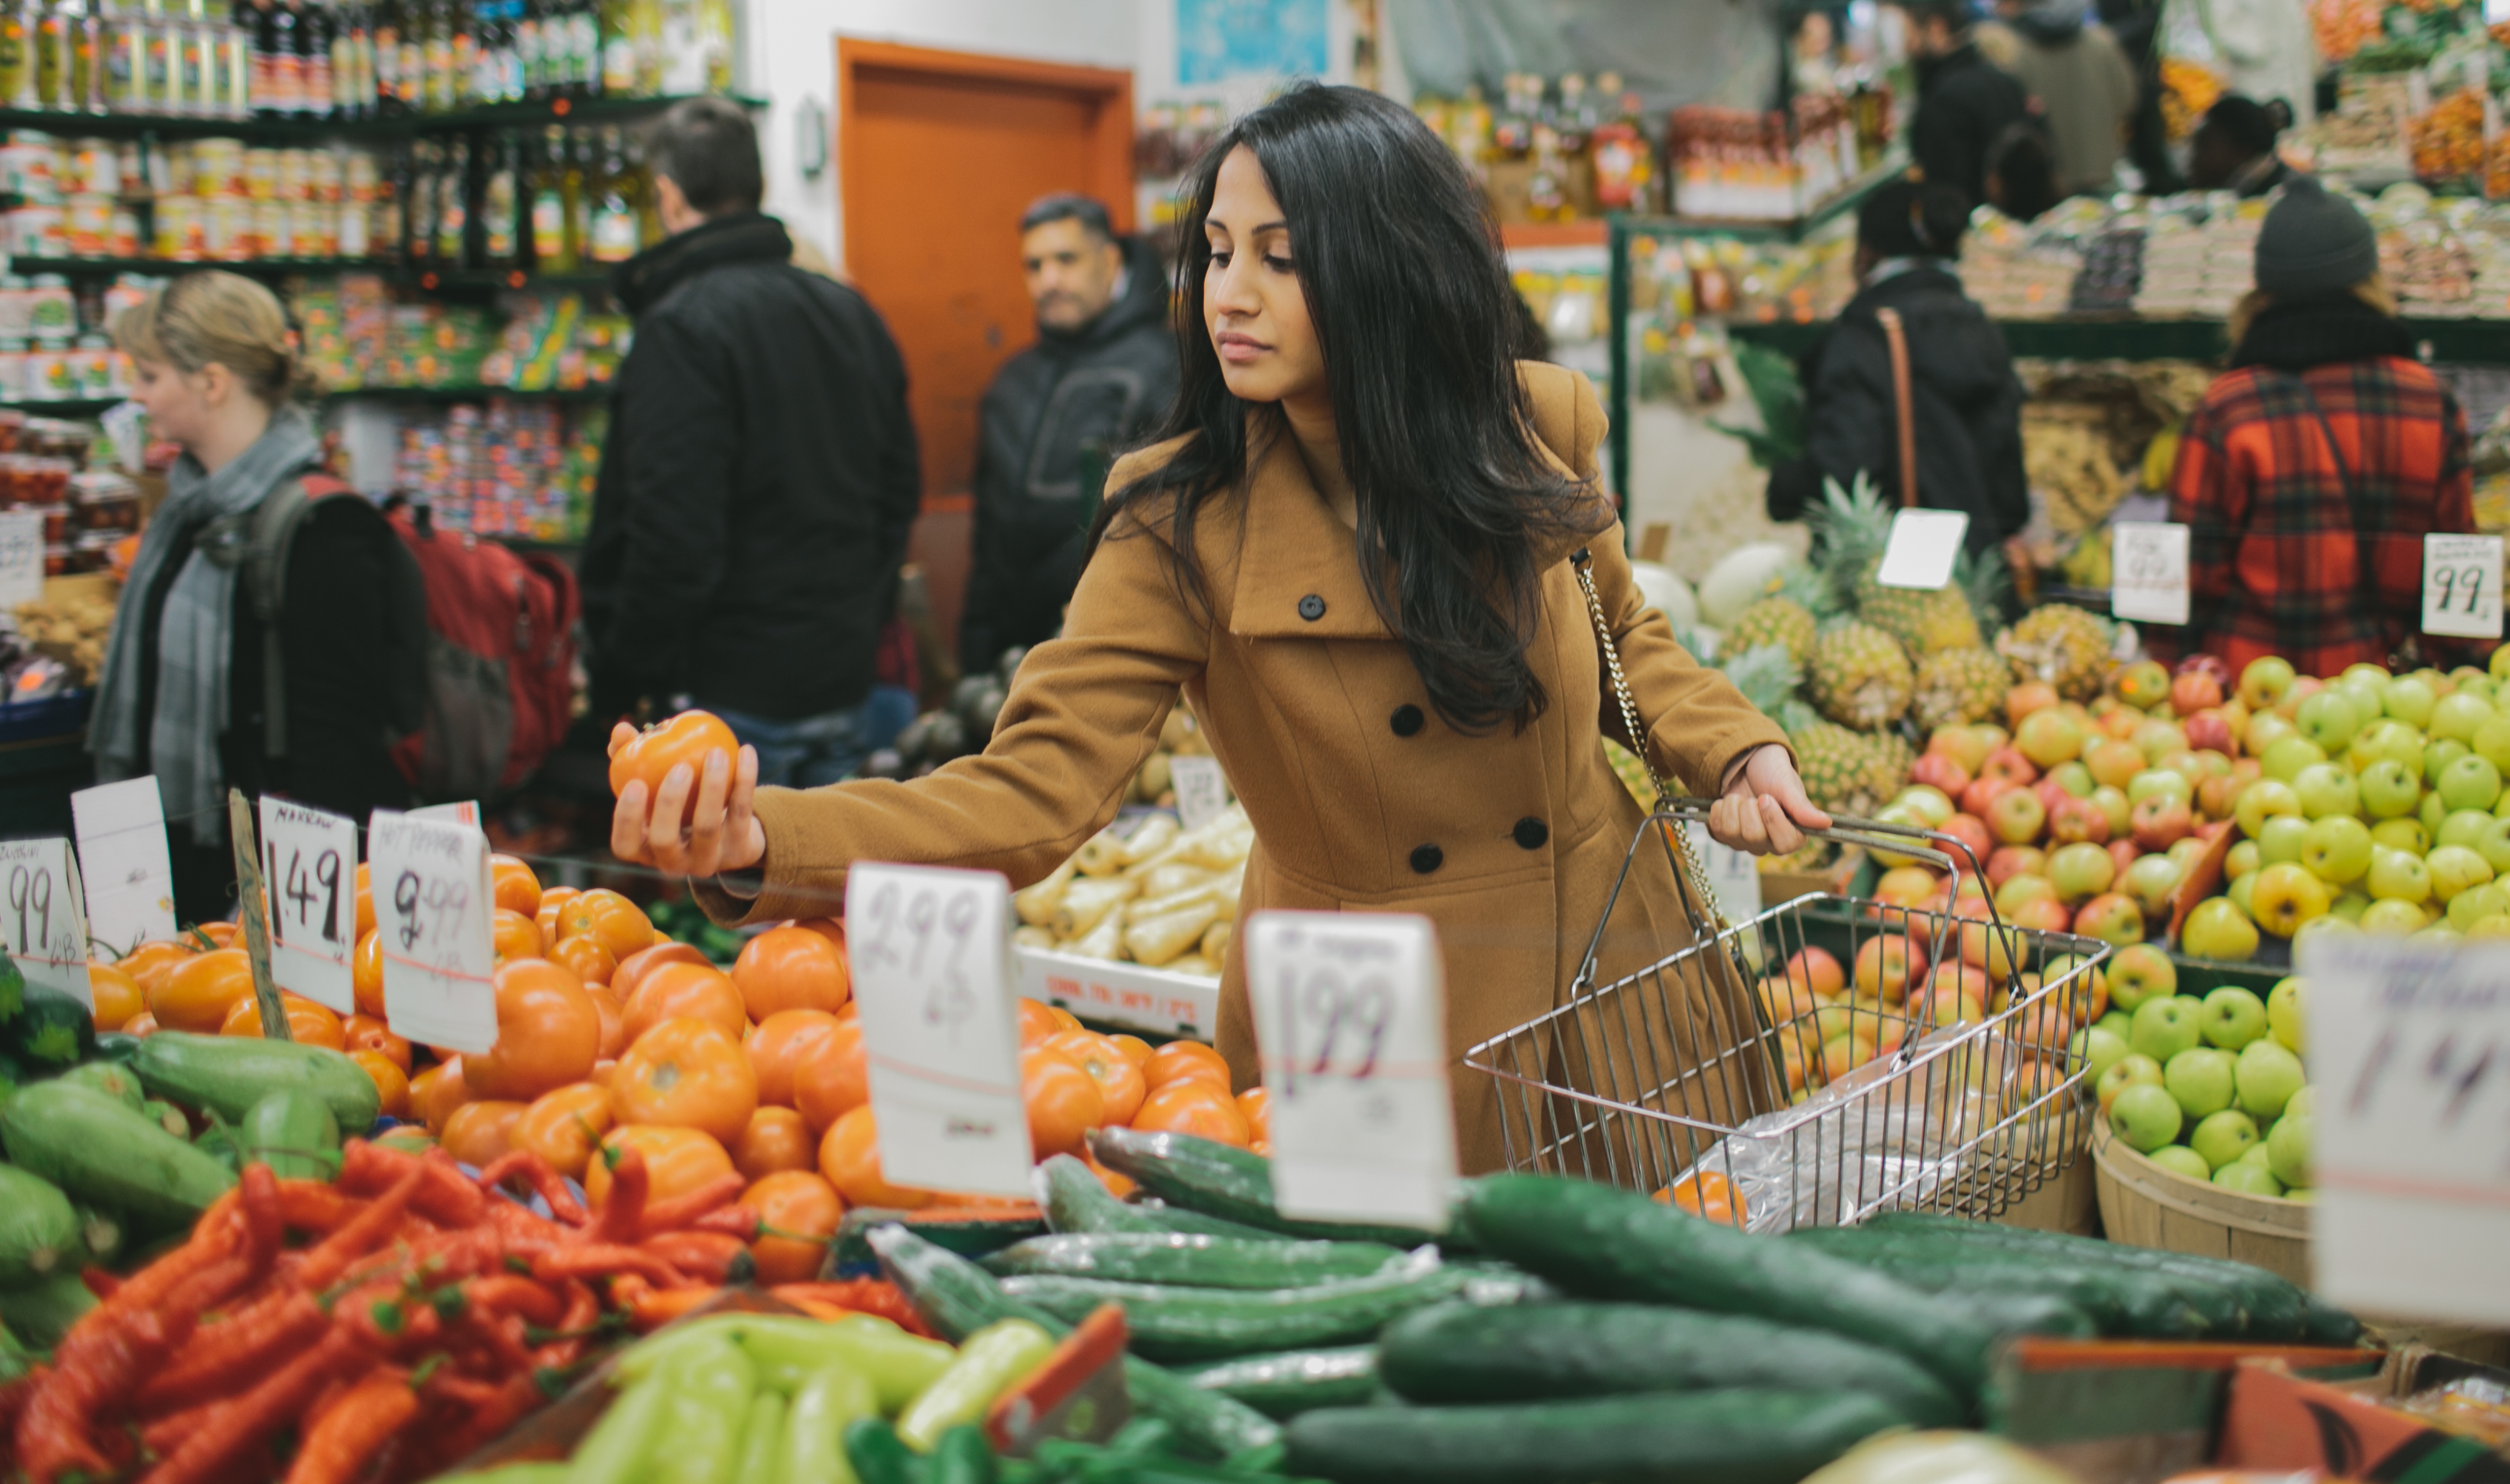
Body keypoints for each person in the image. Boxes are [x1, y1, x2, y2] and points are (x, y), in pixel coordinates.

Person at [607, 83, 1822, 1173]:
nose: (1225, 294)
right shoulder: (1179, 521)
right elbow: (1032, 794)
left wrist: (1733, 747)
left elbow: (1620, 634)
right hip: (1383, 1027)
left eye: (1280, 259)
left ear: (1389, 266)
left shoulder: (1532, 427)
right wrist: (763, 838)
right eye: (1218, 251)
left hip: (1622, 975)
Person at [581, 98, 921, 789]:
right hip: (842, 676)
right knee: (824, 892)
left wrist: (622, 672)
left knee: (735, 892)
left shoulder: (680, 327)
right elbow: (898, 492)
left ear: (669, 198)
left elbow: (672, 537)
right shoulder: (847, 310)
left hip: (727, 697)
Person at [91, 273, 417, 921]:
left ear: (211, 383)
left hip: (264, 884)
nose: (136, 394)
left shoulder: (325, 527)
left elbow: (338, 744)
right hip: (179, 867)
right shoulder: (188, 509)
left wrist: (292, 906)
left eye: (150, 376)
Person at [2163, 182, 2473, 676]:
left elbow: (2183, 580)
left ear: (2263, 291)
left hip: (2251, 711)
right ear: (2370, 279)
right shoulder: (2430, 403)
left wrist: (2165, 679)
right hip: (2386, 707)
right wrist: (2460, 674)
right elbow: (2459, 568)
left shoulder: (2229, 409)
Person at [957, 194, 1178, 675]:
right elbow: (988, 538)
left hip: (1114, 655)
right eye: (1034, 265)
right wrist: (975, 655)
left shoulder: (1167, 368)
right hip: (1011, 659)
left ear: (1111, 259)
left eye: (1066, 259)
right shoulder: (1012, 382)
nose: (1048, 281)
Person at [1767, 180, 2031, 560]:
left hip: (1897, 571)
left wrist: (1785, 487)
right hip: (1977, 566)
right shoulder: (1984, 330)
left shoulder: (1866, 336)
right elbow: (2011, 497)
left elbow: (1845, 468)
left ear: (1867, 255)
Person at [2003, 0, 2139, 195]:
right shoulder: (2101, 44)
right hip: (2100, 169)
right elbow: (2128, 99)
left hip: (2050, 182)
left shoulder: (2016, 55)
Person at [1905, 0, 2036, 208]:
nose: (1907, 47)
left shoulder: (1942, 100)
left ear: (1937, 28)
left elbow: (1946, 194)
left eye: (1909, 34)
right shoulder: (2004, 80)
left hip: (1980, 231)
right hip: (2019, 222)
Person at [2187, 95, 2295, 195]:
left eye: (2204, 147)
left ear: (2243, 152)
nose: (2193, 160)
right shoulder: (2262, 183)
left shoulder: (2277, 197)